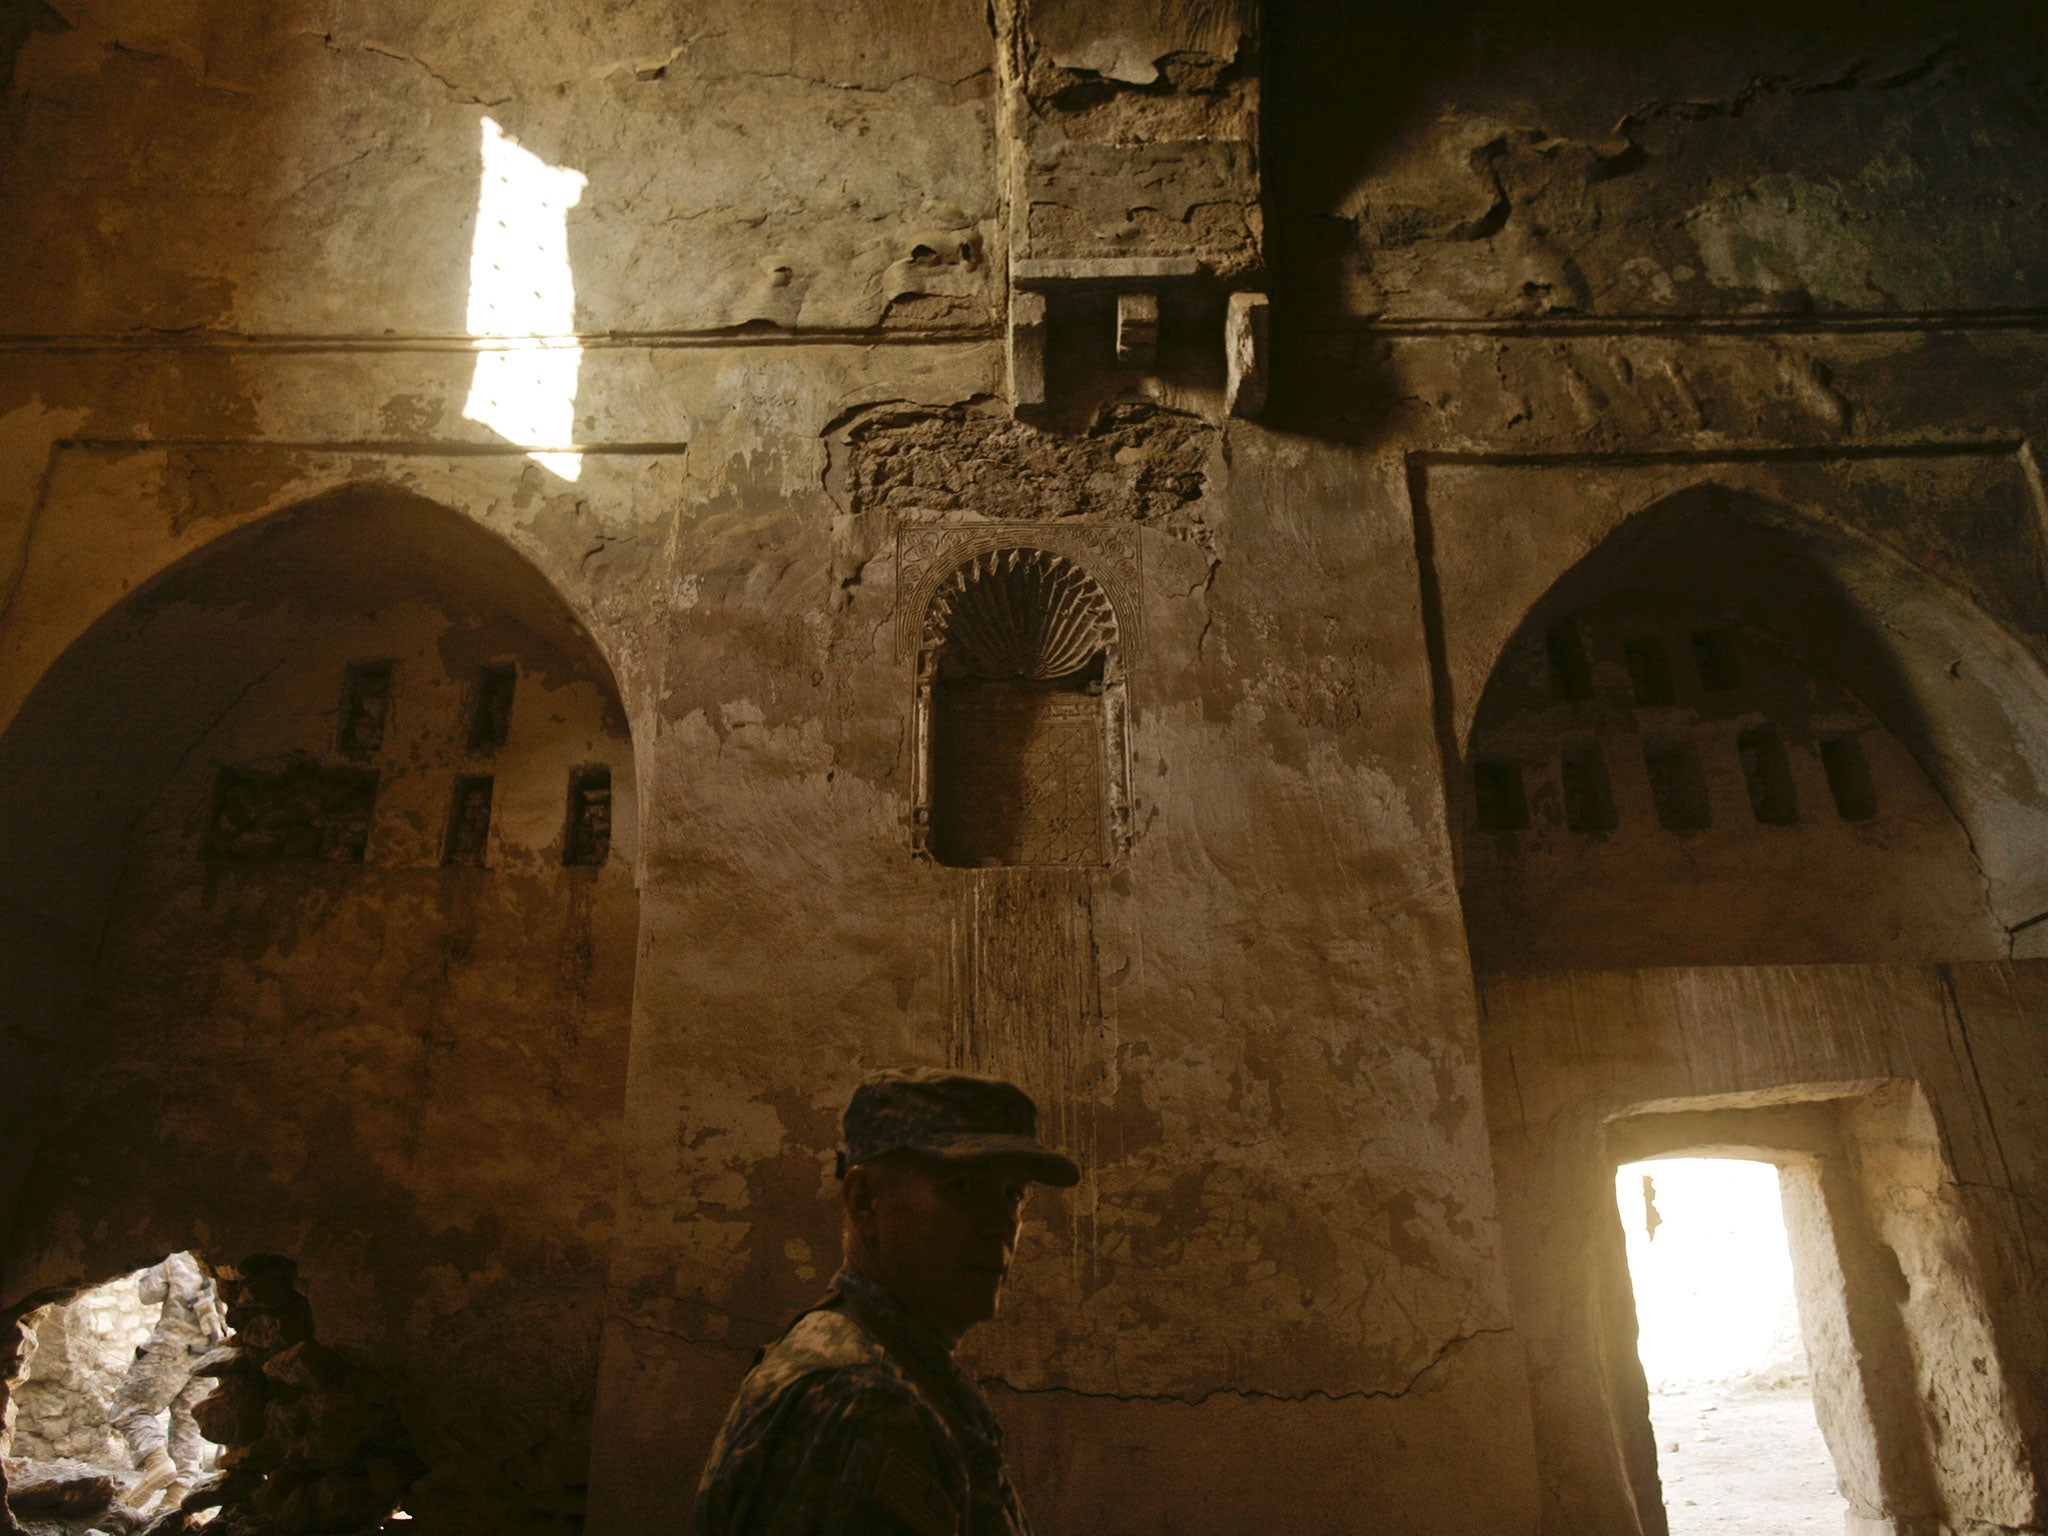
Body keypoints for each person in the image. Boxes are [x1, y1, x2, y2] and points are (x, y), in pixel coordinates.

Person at [694, 1067, 1081, 1536]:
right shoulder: (865, 1401)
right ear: (865, 1202)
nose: (1000, 1224)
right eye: (962, 1188)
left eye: (1012, 1194)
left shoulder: (879, 1361)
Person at [113, 1251, 228, 1509]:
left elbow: (148, 1294)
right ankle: (175, 1498)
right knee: (188, 1422)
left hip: (169, 1350)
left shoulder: (174, 1257)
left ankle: (155, 1461)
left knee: (129, 1410)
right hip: (208, 1352)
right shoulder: (218, 1261)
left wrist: (151, 1264)